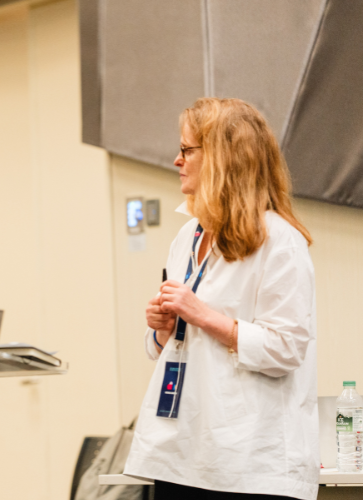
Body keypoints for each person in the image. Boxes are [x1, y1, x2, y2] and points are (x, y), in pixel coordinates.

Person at [124, 98, 318, 500]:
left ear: (220, 158)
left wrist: (203, 316)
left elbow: (286, 348)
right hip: (180, 456)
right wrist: (161, 329)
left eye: (186, 150)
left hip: (247, 465)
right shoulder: (188, 236)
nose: (176, 161)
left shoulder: (280, 241)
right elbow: (174, 345)